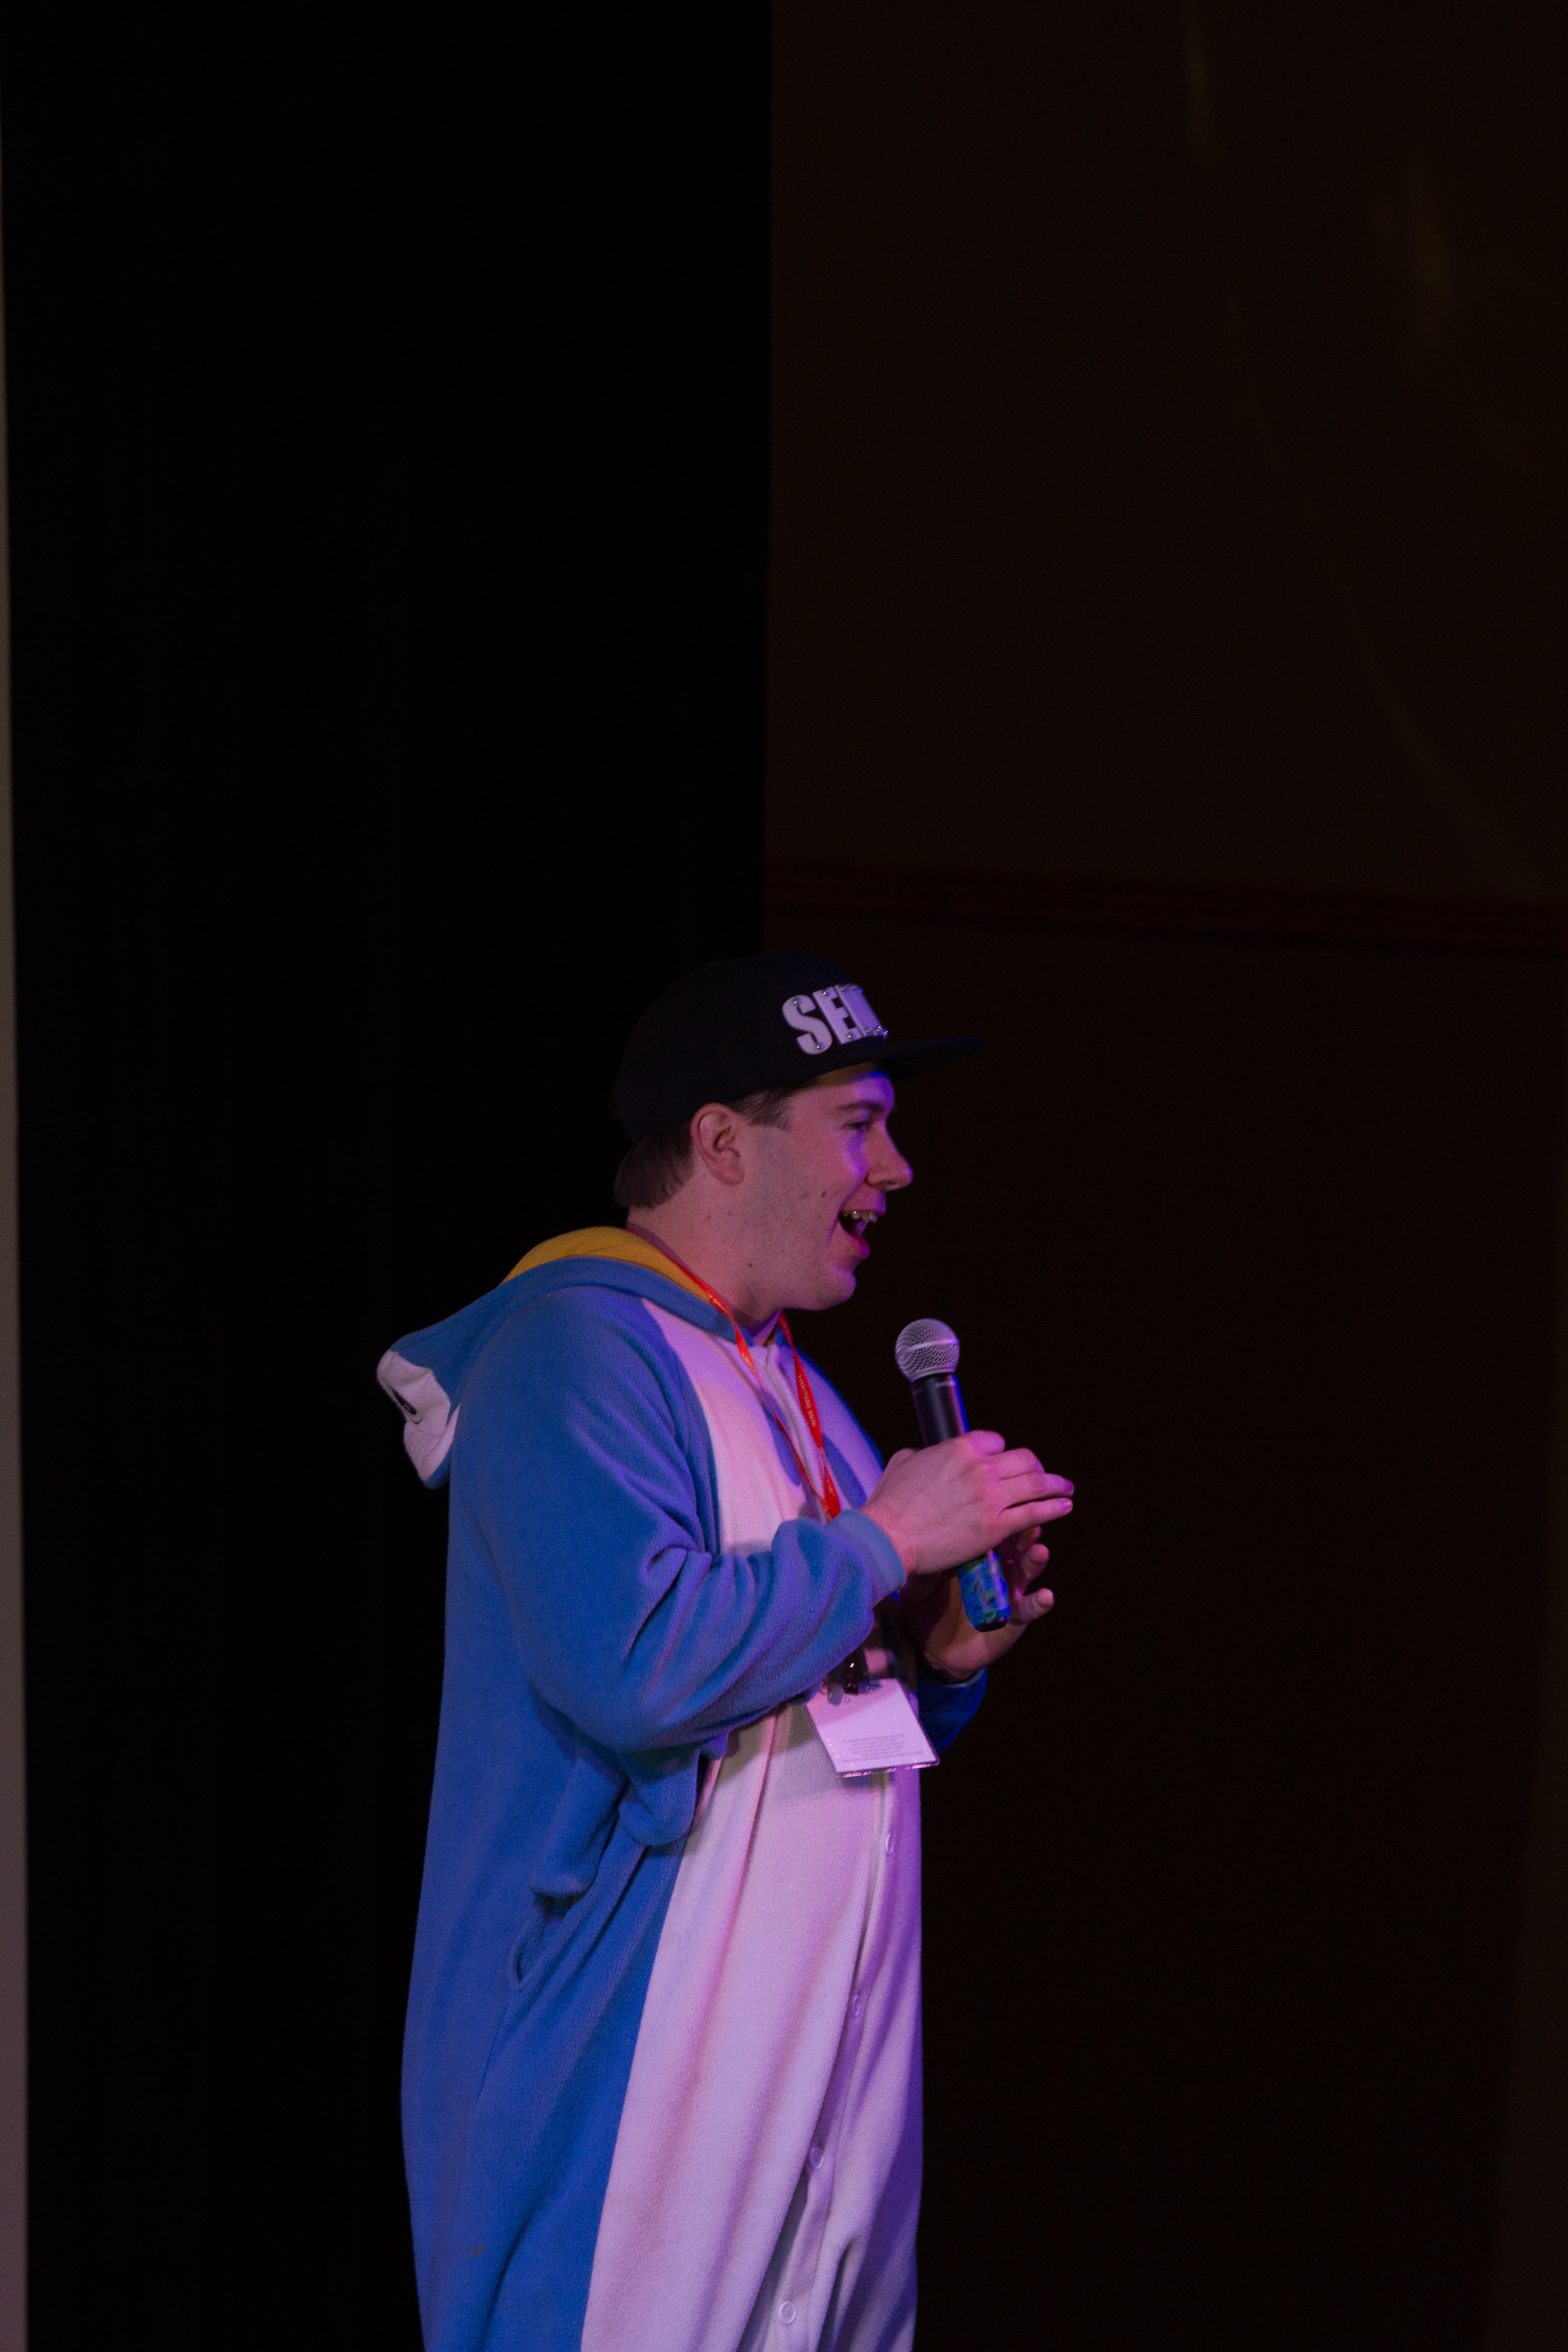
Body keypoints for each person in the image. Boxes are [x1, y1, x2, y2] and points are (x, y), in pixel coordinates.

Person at [379, 950, 1074, 2352]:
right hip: (626, 2078)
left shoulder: (788, 1380)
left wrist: (935, 1657)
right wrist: (884, 1542)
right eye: (859, 1125)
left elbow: (805, 1706)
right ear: (721, 1141)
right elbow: (639, 1666)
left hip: (817, 2074)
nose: (896, 1171)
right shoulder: (576, 1351)